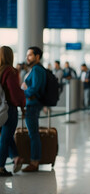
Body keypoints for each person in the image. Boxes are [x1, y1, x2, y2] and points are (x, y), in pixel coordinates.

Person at [0, 46, 26, 176]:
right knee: (5, 138)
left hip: (0, 108)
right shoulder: (10, 71)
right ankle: (0, 167)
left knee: (6, 136)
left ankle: (16, 157)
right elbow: (15, 93)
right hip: (9, 109)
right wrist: (22, 105)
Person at [21, 46, 46, 172]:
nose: (27, 57)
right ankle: (34, 160)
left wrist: (23, 90)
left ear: (37, 57)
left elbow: (34, 89)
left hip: (32, 104)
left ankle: (34, 161)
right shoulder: (36, 69)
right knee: (33, 133)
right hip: (31, 104)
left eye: (30, 55)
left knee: (33, 134)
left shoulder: (36, 70)